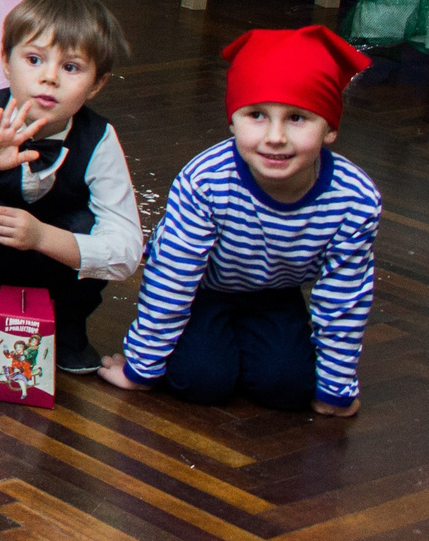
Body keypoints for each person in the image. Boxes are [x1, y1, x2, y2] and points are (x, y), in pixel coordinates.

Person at [102, 27, 378, 416]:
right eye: (257, 115)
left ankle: (253, 348)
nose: (275, 137)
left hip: (275, 293)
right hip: (203, 289)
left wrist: (336, 390)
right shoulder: (205, 181)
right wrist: (141, 368)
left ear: (330, 127)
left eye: (297, 118)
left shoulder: (354, 198)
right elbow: (173, 277)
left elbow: (344, 296)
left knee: (288, 388)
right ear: (232, 122)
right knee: (202, 381)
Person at [0, 0, 139, 373]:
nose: (49, 77)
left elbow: (126, 249)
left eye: (71, 67)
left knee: (87, 223)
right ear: (6, 61)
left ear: (97, 84)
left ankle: (66, 326)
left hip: (52, 258)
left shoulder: (99, 138)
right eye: (34, 60)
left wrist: (42, 237)